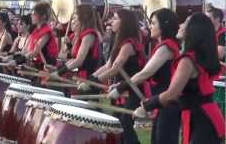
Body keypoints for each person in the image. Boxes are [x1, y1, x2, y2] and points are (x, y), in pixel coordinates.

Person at [134, 13, 225, 144]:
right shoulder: (198, 56)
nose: (181, 25)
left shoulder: (188, 60)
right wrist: (152, 102)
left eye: (185, 23)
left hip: (202, 119)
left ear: (194, 30)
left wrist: (147, 106)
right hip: (206, 116)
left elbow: (172, 93)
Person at [109, 8, 181, 144]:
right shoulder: (163, 46)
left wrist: (120, 88)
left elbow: (146, 73)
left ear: (164, 25)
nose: (150, 26)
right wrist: (120, 86)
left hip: (168, 103)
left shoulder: (167, 47)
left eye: (153, 23)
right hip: (161, 102)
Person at [79, 9, 145, 144]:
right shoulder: (119, 41)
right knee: (117, 126)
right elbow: (108, 65)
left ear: (124, 23)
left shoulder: (128, 44)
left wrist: (93, 82)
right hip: (119, 88)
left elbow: (115, 68)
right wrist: (90, 79)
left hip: (132, 90)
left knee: (125, 125)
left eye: (115, 19)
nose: (110, 22)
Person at [55, 4, 101, 80]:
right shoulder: (81, 35)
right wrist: (59, 69)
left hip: (87, 78)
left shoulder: (89, 35)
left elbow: (79, 60)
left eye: (74, 19)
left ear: (83, 19)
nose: (71, 22)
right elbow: (66, 56)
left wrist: (59, 72)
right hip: (80, 76)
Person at [13, 2, 58, 69]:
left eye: (34, 14)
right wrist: (12, 57)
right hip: (36, 64)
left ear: (43, 16)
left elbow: (35, 52)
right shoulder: (35, 31)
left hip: (47, 67)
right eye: (32, 14)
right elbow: (25, 51)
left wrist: (17, 62)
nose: (31, 16)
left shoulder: (47, 32)